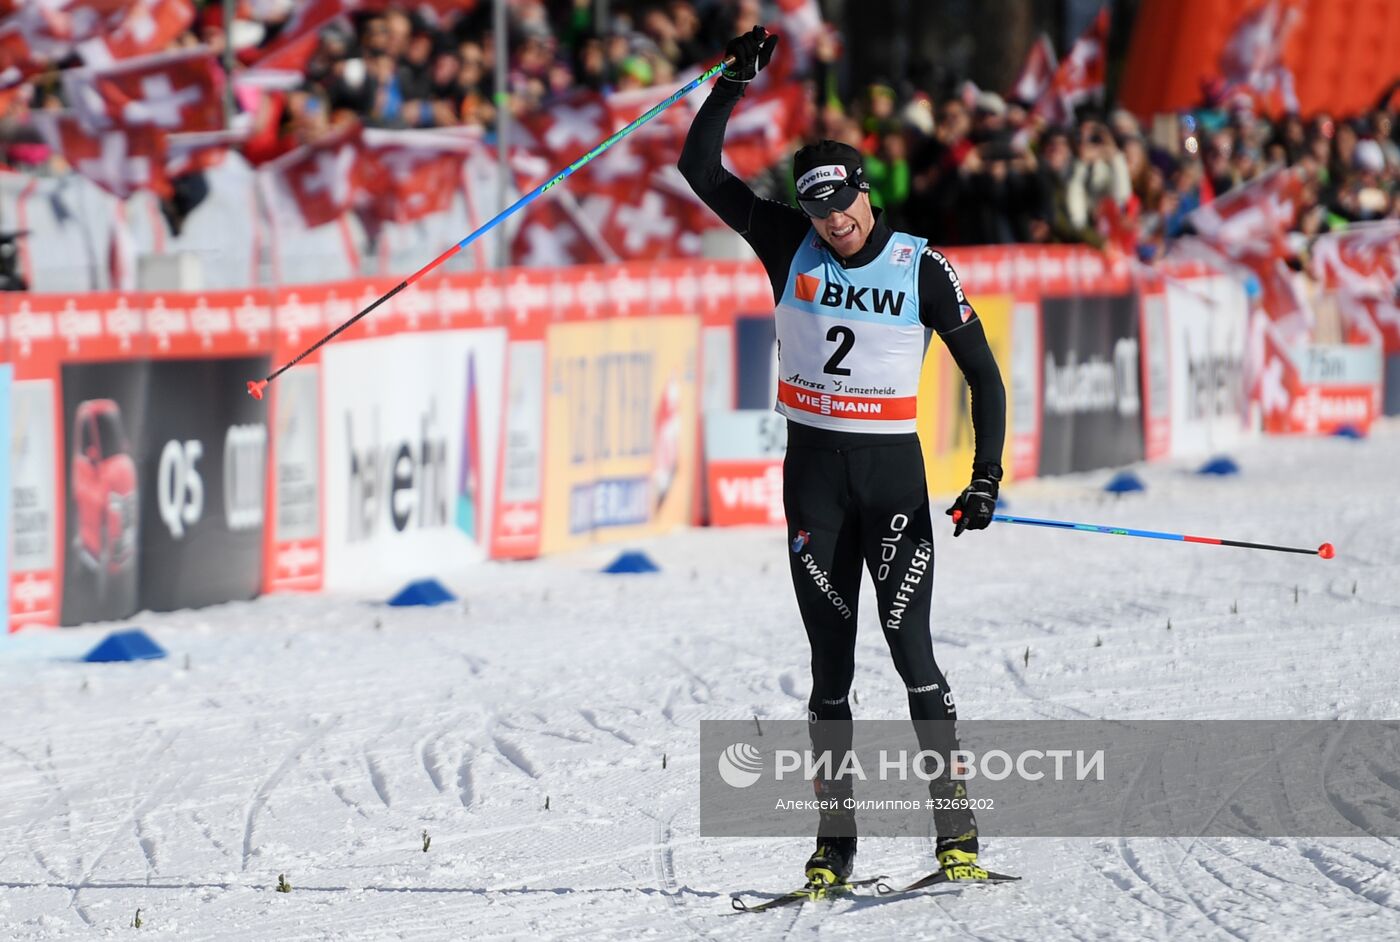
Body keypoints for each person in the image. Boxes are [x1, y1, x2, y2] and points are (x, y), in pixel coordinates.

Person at [679, 26, 1006, 887]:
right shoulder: (787, 243)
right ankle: (835, 845)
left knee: (913, 659)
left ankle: (957, 839)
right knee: (829, 676)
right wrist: (728, 84)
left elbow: (984, 375)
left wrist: (985, 479)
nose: (835, 222)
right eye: (821, 210)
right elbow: (700, 173)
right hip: (815, 492)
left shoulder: (920, 266)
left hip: (895, 489)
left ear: (869, 192)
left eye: (845, 205)